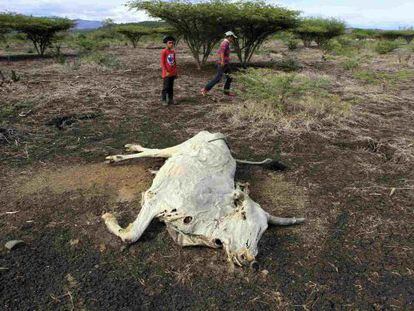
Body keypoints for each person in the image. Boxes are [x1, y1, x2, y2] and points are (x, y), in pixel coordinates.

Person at [201, 31, 237, 97]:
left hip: (226, 63)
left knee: (230, 77)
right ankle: (205, 89)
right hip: (222, 63)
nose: (233, 39)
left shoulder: (227, 43)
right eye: (232, 38)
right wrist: (222, 61)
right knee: (218, 78)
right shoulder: (224, 43)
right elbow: (222, 53)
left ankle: (226, 92)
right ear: (229, 37)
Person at [160, 35, 177, 106]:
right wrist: (166, 71)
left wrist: (176, 72)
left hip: (172, 73)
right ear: (166, 43)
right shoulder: (164, 51)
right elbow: (162, 63)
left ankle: (171, 99)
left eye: (172, 43)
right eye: (170, 43)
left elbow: (174, 62)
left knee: (171, 87)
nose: (171, 44)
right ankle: (163, 100)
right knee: (166, 87)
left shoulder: (173, 52)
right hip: (166, 73)